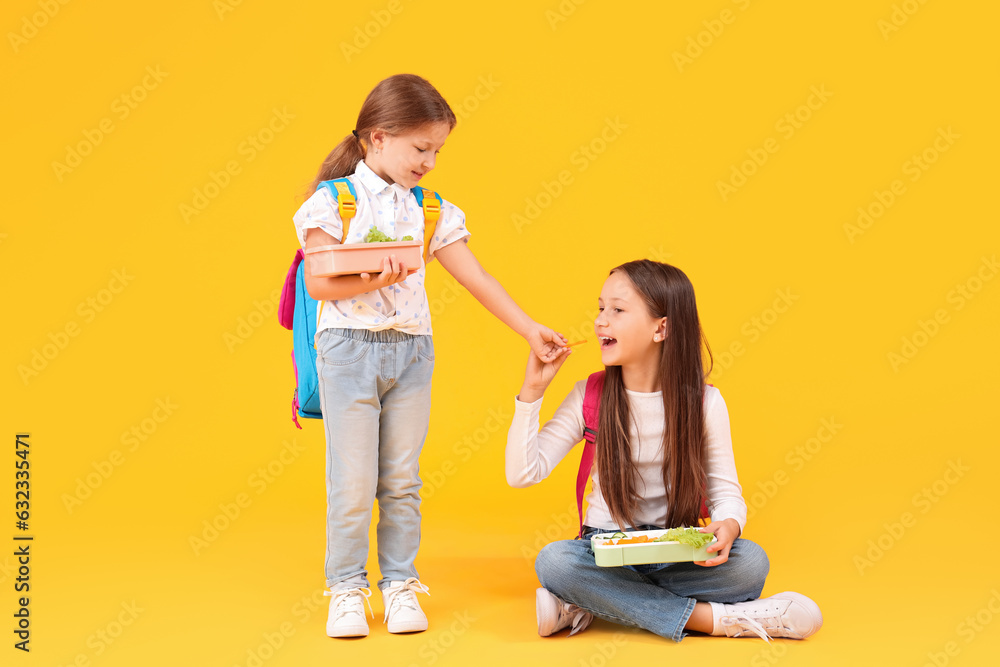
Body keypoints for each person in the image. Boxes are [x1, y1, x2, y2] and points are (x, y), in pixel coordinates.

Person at [293, 74, 566, 639]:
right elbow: (319, 285)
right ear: (376, 138)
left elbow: (478, 278)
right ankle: (346, 587)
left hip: (413, 353)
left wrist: (529, 329)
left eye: (438, 150)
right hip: (348, 352)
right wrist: (373, 271)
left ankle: (398, 583)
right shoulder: (332, 202)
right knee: (352, 478)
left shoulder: (432, 210)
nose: (431, 162)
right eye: (421, 149)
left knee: (401, 478)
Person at [505, 259, 822, 642]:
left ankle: (586, 602)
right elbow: (522, 474)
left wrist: (730, 525)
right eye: (601, 308)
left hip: (677, 549)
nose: (601, 321)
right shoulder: (589, 396)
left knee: (751, 563)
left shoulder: (705, 403)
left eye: (618, 310)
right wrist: (532, 392)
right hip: (603, 552)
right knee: (555, 562)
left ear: (662, 328)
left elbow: (725, 494)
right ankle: (715, 621)